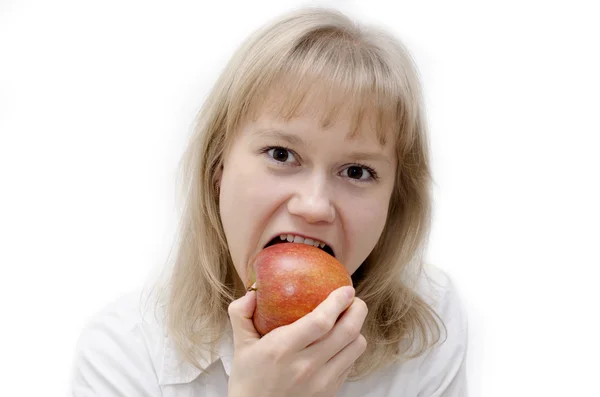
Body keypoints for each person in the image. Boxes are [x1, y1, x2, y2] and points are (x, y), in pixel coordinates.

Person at [68, 7, 468, 397]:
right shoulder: (123, 355)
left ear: (394, 201)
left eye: (357, 171)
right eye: (281, 154)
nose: (314, 206)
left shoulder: (428, 326)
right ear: (217, 168)